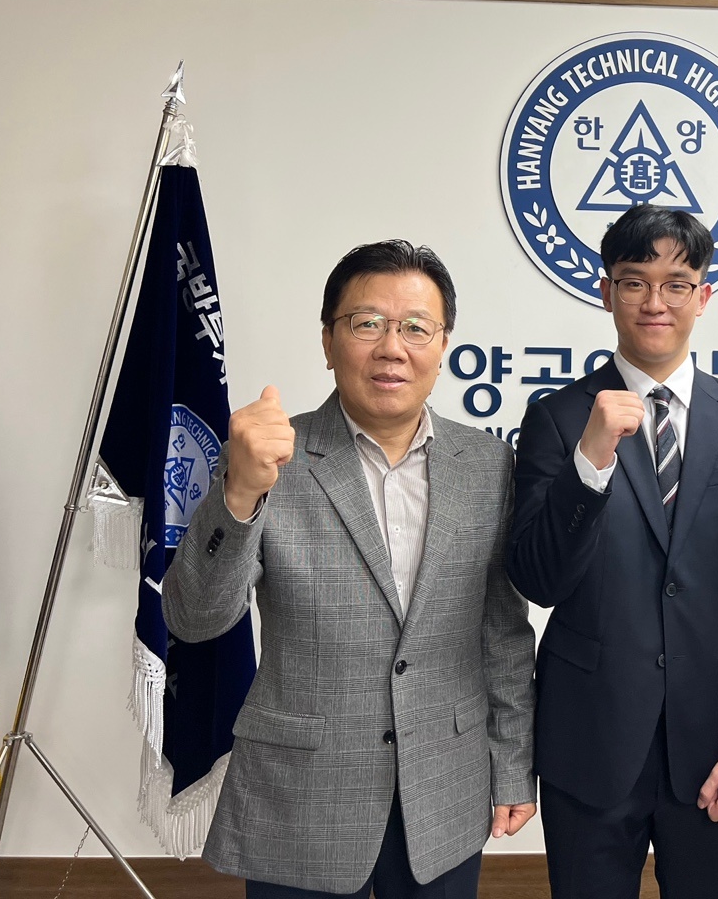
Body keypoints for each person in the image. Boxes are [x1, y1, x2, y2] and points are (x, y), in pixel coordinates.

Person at [163, 240, 535, 899]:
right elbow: (194, 619)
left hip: (445, 789)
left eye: (415, 327)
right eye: (367, 324)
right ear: (328, 341)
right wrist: (240, 493)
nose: (392, 348)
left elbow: (502, 635)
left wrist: (512, 767)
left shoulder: (487, 465)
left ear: (443, 346)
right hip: (300, 796)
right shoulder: (268, 455)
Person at [507, 205, 718, 899]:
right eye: (634, 282)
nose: (654, 302)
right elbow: (539, 580)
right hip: (590, 738)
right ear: (606, 291)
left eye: (676, 284)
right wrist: (589, 463)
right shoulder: (558, 418)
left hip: (717, 744)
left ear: (704, 295)